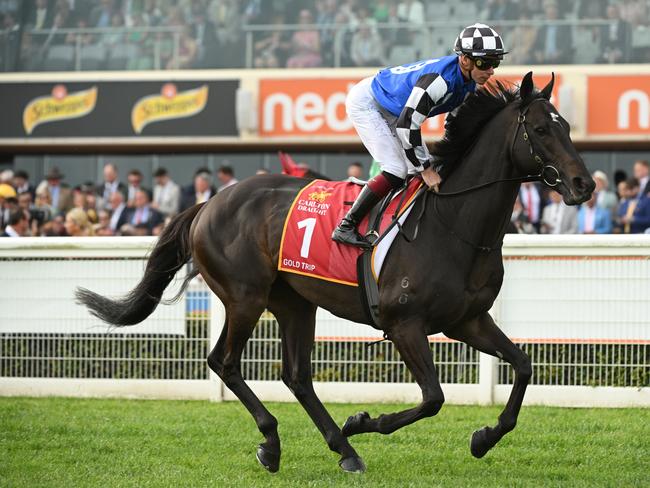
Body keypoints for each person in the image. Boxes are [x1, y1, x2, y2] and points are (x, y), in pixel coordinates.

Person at [332, 23, 507, 247]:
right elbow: (407, 125)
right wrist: (426, 169)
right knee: (397, 169)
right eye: (485, 62)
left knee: (416, 169)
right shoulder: (440, 81)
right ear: (464, 60)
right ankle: (346, 225)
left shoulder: (468, 85)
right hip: (369, 103)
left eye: (496, 62)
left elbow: (454, 126)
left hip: (396, 111)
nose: (491, 70)